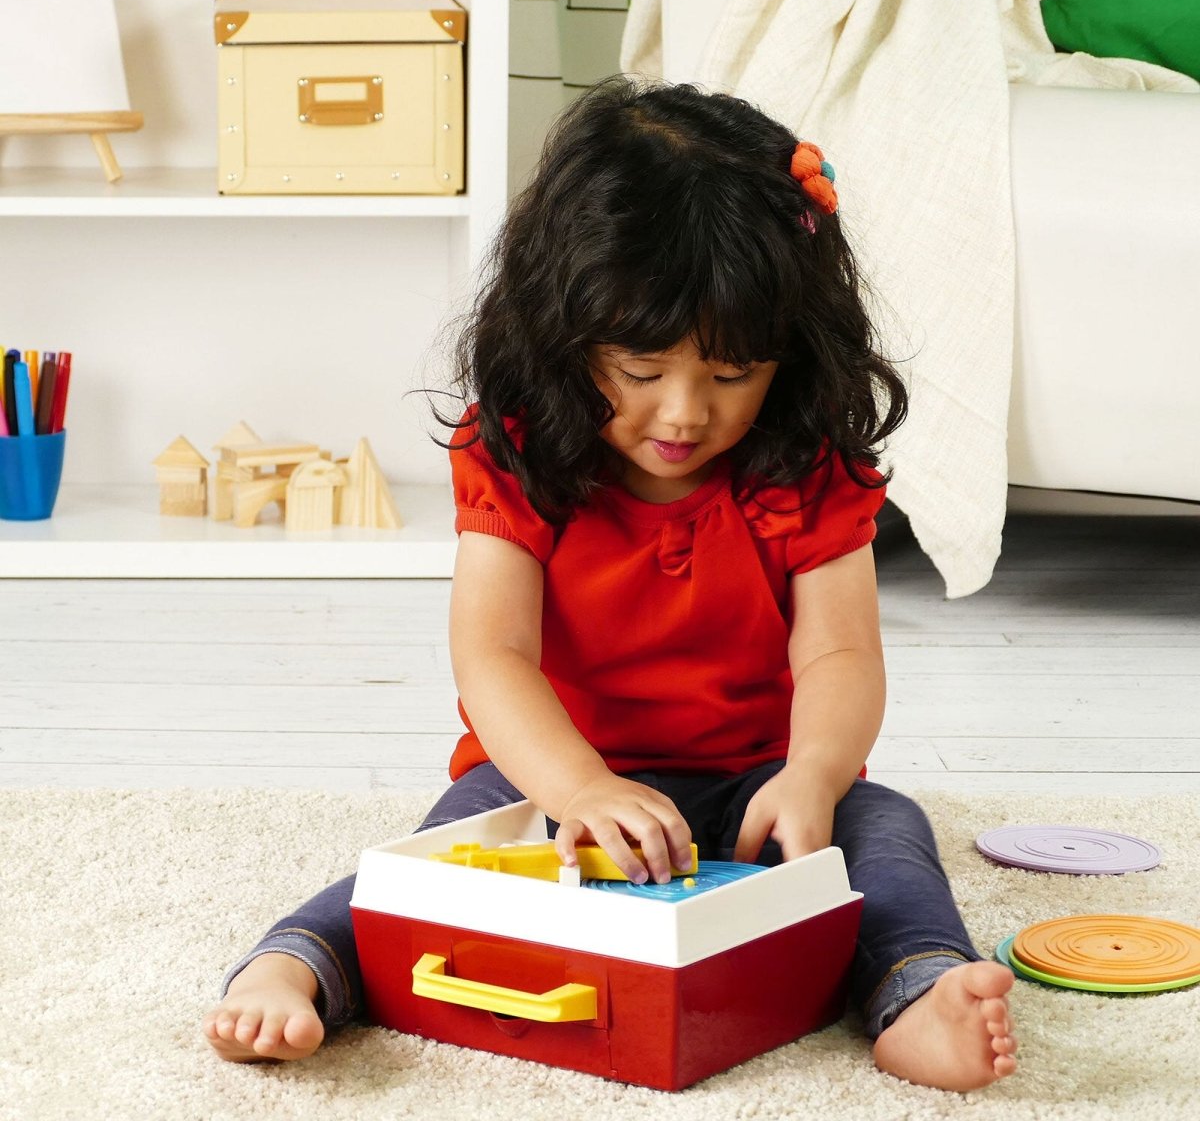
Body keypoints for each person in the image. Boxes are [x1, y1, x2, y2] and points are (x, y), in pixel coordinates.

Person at [203, 77, 1017, 1092]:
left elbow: (841, 650)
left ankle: (918, 990)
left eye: (731, 377)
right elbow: (492, 653)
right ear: (563, 329)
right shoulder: (520, 449)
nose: (683, 414)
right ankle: (297, 963)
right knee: (446, 863)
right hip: (552, 776)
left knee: (886, 832)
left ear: (789, 354)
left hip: (758, 781)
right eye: (640, 370)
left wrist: (812, 774)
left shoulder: (806, 463)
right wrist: (578, 788)